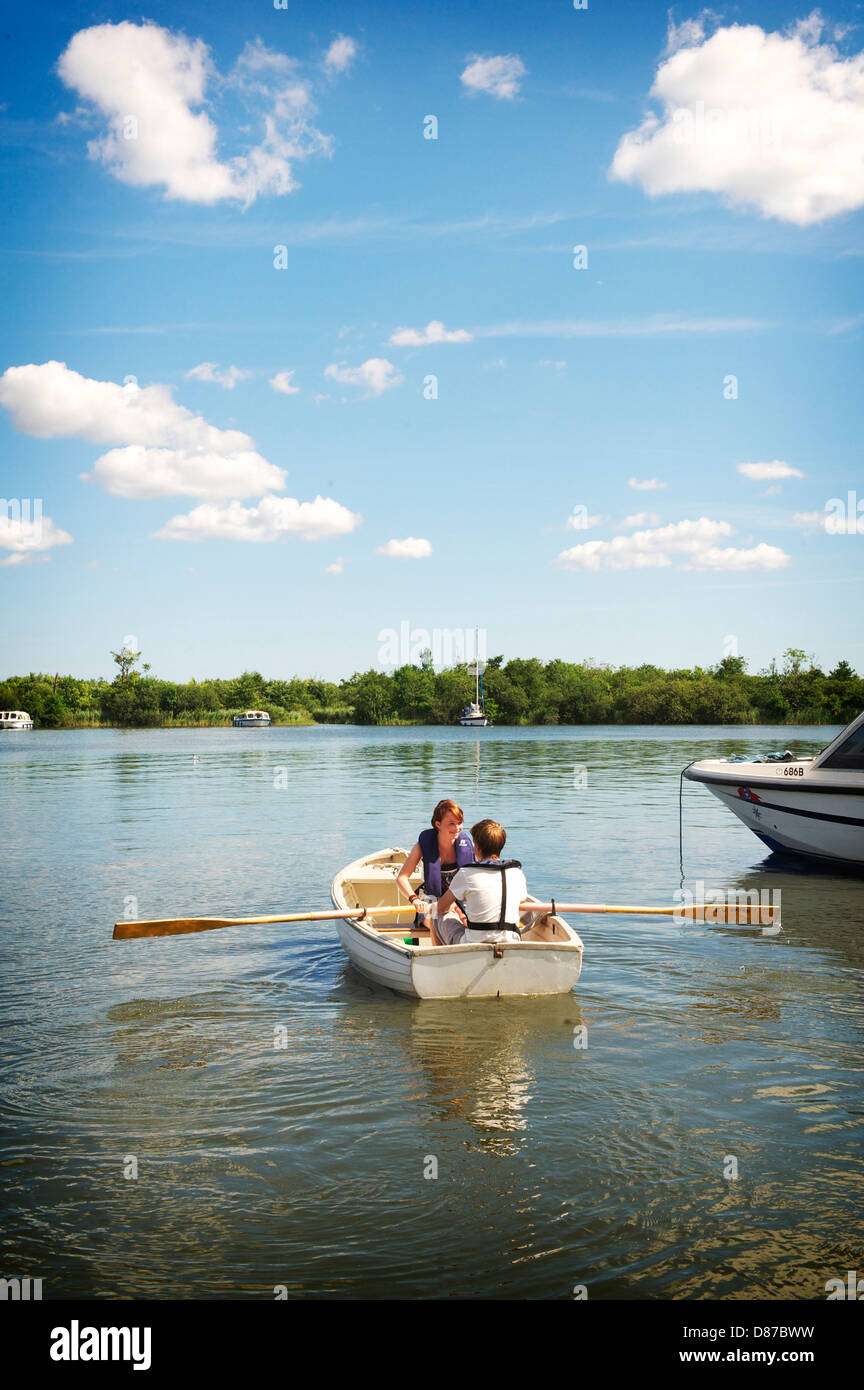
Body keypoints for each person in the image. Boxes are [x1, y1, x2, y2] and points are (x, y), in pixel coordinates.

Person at [431, 819, 527, 946]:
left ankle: (439, 960)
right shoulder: (516, 873)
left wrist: (451, 908)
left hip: (473, 944)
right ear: (501, 845)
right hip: (511, 941)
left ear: (476, 846)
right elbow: (521, 900)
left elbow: (441, 907)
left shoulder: (466, 873)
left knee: (436, 916)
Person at [396, 799, 475, 923]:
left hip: (456, 899)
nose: (457, 828)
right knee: (436, 922)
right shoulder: (421, 846)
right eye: (451, 824)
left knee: (465, 921)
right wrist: (414, 899)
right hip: (429, 898)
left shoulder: (467, 847)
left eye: (459, 823)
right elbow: (402, 878)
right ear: (438, 824)